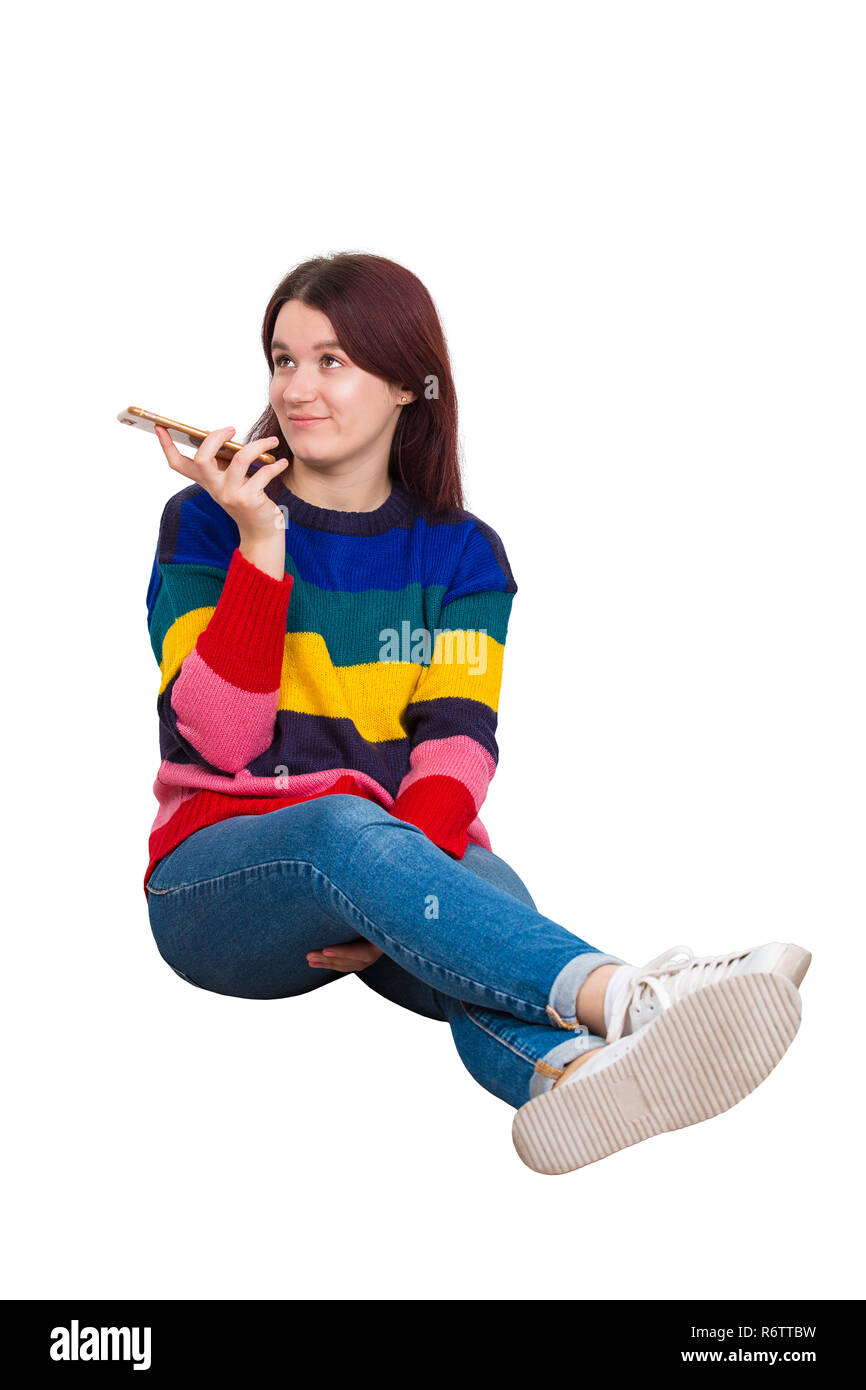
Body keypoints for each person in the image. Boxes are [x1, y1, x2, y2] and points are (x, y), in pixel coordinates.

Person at [143, 252, 811, 1175]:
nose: (297, 388)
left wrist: (385, 894)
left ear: (409, 385)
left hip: (384, 854)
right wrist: (263, 543)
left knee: (490, 901)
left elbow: (456, 745)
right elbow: (221, 738)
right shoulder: (209, 525)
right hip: (215, 887)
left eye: (332, 361)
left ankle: (568, 1077)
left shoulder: (462, 555)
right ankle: (632, 995)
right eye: (283, 358)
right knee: (347, 825)